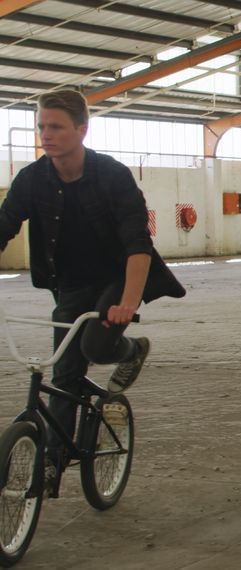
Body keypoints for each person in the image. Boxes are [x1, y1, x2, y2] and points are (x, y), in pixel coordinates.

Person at [0, 90, 185, 494]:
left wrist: (127, 303)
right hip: (69, 283)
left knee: (97, 346)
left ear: (82, 129)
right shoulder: (33, 179)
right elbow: (4, 225)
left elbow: (138, 245)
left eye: (56, 127)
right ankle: (52, 461)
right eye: (41, 127)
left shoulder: (111, 175)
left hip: (116, 277)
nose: (46, 135)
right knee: (65, 373)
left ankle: (132, 349)